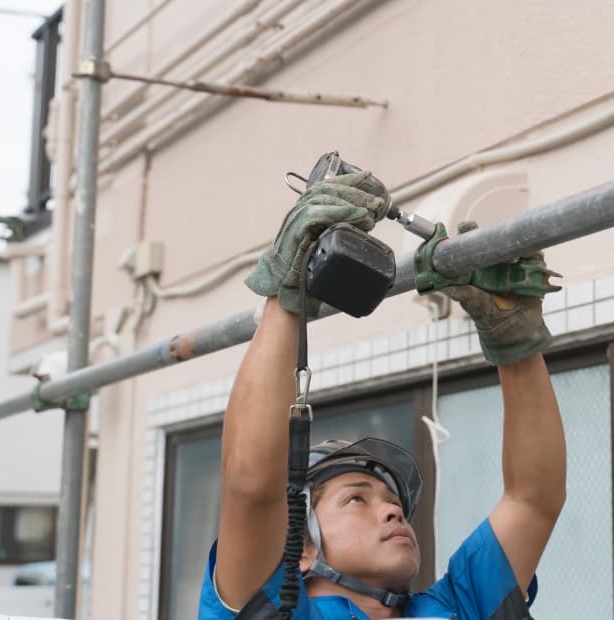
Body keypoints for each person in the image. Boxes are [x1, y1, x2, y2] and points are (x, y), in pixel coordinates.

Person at [199, 171, 566, 619]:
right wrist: (287, 292)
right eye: (358, 498)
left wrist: (515, 342)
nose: (394, 513)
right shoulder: (279, 610)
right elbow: (251, 486)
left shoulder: (454, 607)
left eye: (393, 502)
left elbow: (533, 497)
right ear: (301, 550)